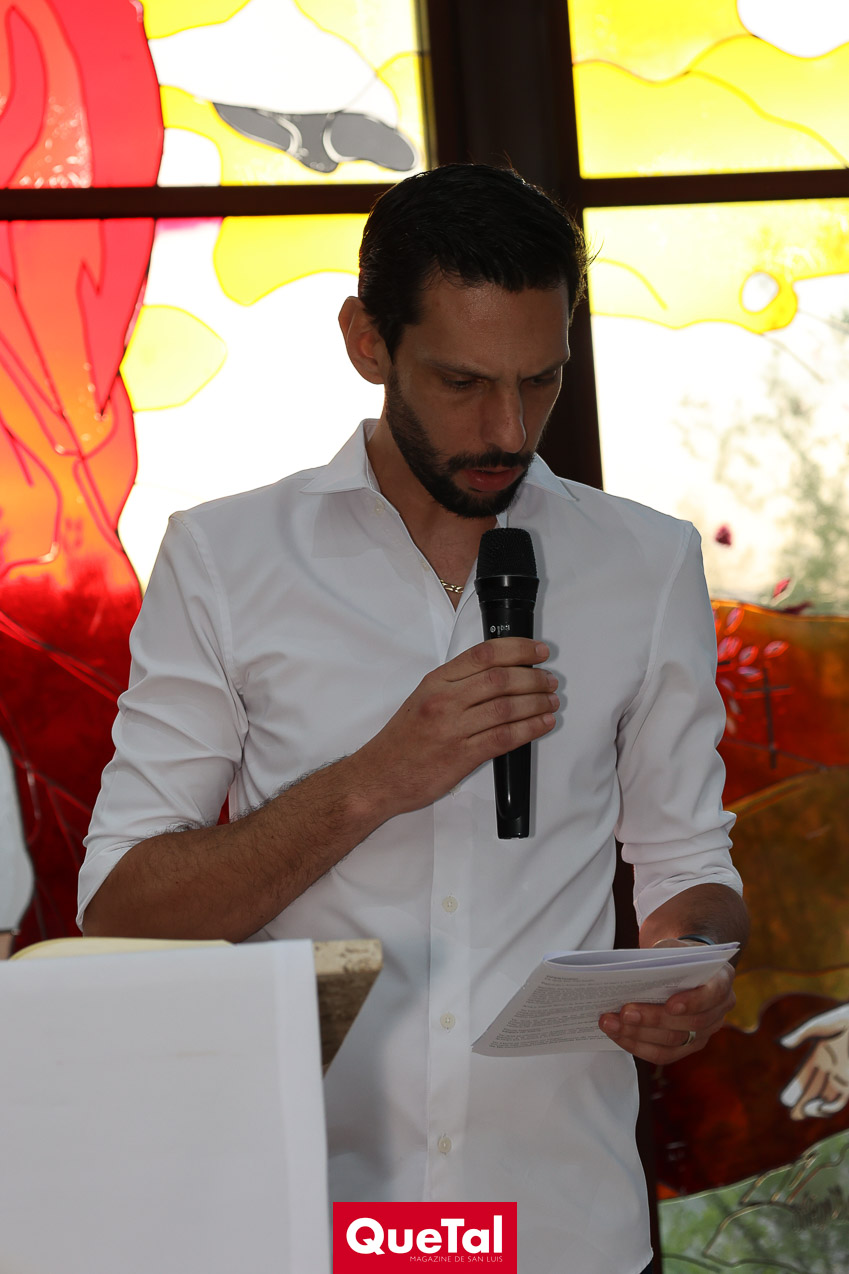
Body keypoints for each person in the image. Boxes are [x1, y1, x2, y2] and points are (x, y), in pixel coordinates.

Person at [79, 164, 748, 1274]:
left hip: (561, 1223)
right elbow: (121, 910)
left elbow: (689, 865)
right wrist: (372, 782)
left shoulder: (646, 561)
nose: (507, 428)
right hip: (311, 1221)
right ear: (367, 342)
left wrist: (689, 963)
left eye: (540, 381)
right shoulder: (224, 560)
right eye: (461, 381)